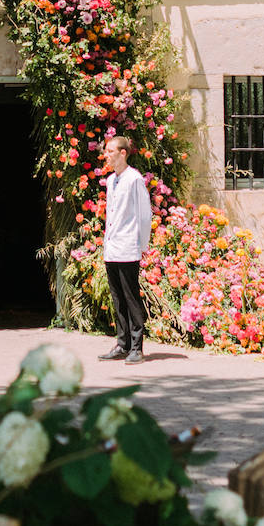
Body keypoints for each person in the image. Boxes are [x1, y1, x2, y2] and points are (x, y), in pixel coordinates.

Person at [97, 134, 153, 366]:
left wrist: (142, 245)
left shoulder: (134, 179)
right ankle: (122, 344)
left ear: (123, 153)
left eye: (110, 151)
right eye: (106, 151)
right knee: (118, 298)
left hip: (129, 246)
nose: (106, 155)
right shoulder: (112, 180)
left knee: (130, 297)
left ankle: (137, 346)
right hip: (112, 247)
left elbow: (143, 214)